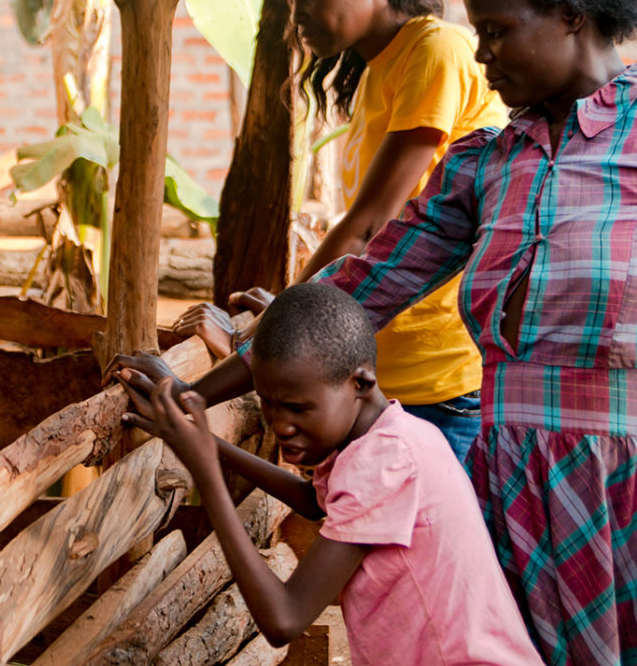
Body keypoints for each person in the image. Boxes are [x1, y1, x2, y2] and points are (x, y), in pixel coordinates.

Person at [116, 0, 637, 664]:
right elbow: (354, 293)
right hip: (527, 507)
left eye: (500, 31)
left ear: (572, 14)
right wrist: (192, 397)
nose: (482, 56)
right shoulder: (486, 167)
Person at [173, 0, 507, 462]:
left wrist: (278, 321)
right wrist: (283, 312)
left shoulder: (435, 53)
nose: (297, 14)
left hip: (438, 377)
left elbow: (369, 225)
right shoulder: (377, 72)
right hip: (381, 364)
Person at [118, 284, 541, 666]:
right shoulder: (394, 435)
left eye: (299, 409)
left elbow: (284, 619)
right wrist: (203, 440)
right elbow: (312, 501)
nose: (279, 425)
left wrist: (206, 472)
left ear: (360, 383)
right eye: (268, 403)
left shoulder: (386, 463)